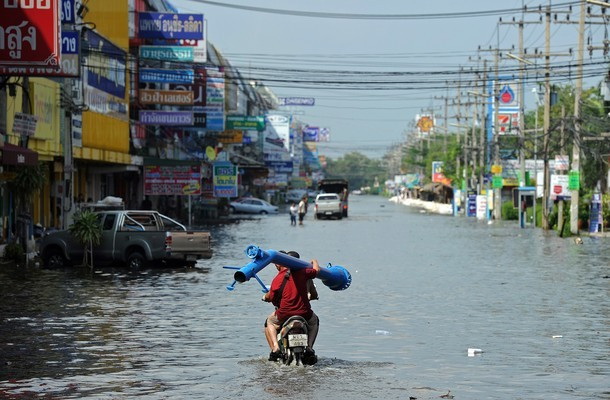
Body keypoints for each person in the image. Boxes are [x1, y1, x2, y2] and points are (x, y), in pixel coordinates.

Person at [262, 250, 320, 364]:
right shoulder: (305, 272)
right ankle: (309, 347)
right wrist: (314, 261)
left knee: (269, 322)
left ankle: (275, 348)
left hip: (284, 314)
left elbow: (271, 297)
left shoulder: (277, 279)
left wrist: (265, 297)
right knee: (314, 321)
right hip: (304, 313)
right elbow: (317, 271)